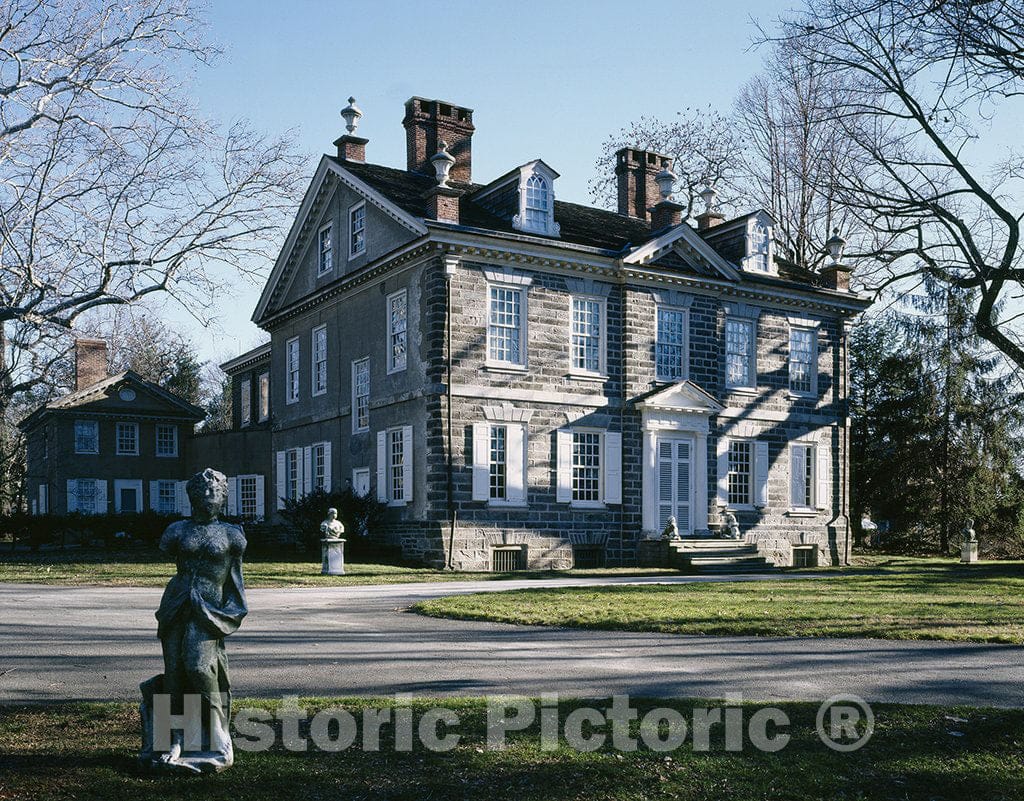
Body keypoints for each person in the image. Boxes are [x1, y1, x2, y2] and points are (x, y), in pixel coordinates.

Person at [140, 468, 247, 773]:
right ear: (190, 497)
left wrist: (229, 611)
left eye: (214, 491)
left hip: (208, 608)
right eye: (200, 492)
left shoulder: (232, 536)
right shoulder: (176, 531)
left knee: (199, 667)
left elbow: (235, 581)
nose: (207, 497)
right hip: (176, 604)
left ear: (224, 497)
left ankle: (218, 734)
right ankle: (175, 738)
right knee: (174, 671)